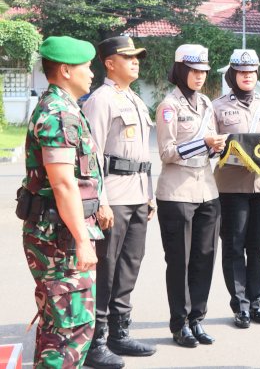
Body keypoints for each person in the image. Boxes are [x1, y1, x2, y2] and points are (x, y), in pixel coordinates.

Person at [19, 36, 113, 368]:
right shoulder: (58, 113)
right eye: (86, 66)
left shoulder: (64, 107)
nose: (91, 72)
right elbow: (62, 184)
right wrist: (82, 240)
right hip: (60, 239)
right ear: (64, 70)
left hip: (60, 234)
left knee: (58, 328)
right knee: (69, 331)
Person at [82, 37, 156, 369]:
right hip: (113, 197)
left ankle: (119, 333)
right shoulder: (101, 100)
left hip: (138, 195)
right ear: (110, 63)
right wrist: (100, 200)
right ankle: (96, 341)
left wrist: (149, 194)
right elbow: (92, 156)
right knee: (107, 268)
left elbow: (142, 156)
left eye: (137, 57)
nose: (135, 62)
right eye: (128, 57)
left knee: (130, 265)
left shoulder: (135, 100)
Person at [155, 44, 227, 347]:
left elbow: (208, 146)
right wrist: (204, 142)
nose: (199, 77)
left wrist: (215, 147)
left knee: (204, 258)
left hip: (207, 191)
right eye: (194, 71)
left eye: (203, 72)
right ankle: (179, 323)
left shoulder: (206, 103)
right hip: (177, 193)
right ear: (181, 70)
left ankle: (197, 318)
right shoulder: (168, 106)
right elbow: (167, 152)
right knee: (180, 261)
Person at [213, 49, 260, 328]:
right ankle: (240, 306)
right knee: (234, 246)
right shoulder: (217, 107)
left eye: (252, 72)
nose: (247, 76)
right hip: (231, 186)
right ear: (233, 74)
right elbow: (209, 145)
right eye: (242, 72)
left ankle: (256, 303)